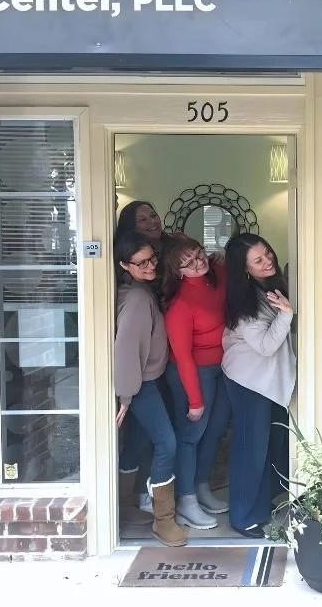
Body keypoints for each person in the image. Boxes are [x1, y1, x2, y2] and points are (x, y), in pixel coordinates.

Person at [113, 231, 188, 547]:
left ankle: (124, 502)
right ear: (124, 264)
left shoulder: (137, 290)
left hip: (146, 381)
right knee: (167, 443)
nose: (149, 266)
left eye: (152, 259)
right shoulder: (138, 300)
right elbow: (126, 350)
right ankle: (164, 520)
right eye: (140, 262)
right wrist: (127, 397)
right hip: (141, 386)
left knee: (138, 441)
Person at [221, 233, 295, 539]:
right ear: (244, 270)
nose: (268, 261)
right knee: (250, 449)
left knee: (270, 445)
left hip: (267, 380)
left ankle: (261, 506)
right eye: (258, 260)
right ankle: (242, 515)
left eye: (267, 253)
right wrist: (287, 314)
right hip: (249, 382)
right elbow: (265, 345)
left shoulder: (269, 287)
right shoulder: (242, 302)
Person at [161, 236, 231, 530]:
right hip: (193, 373)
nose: (196, 262)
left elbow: (229, 260)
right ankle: (186, 500)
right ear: (178, 272)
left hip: (224, 366)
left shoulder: (217, 275)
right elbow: (183, 356)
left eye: (198, 254)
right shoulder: (180, 305)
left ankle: (202, 487)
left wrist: (221, 255)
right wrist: (194, 400)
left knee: (214, 431)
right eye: (187, 263)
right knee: (192, 434)